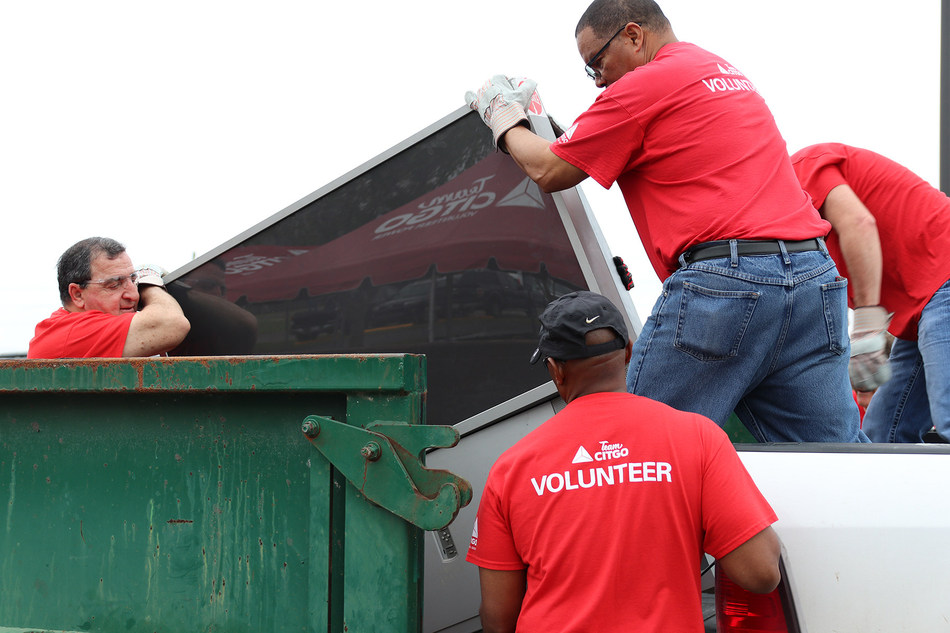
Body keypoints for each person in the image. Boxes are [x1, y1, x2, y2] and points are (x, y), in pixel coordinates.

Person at [466, 0, 867, 443]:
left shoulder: (643, 87)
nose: (598, 81)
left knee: (635, 451)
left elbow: (550, 170)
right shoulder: (720, 71)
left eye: (596, 63)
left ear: (634, 36)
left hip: (730, 285)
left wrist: (504, 117)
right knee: (833, 458)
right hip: (813, 281)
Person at [466, 291, 780, 633]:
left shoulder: (511, 468)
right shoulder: (697, 437)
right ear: (629, 351)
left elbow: (498, 619)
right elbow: (761, 573)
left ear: (555, 370)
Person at [791, 143, 950, 443]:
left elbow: (859, 223)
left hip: (943, 282)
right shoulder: (794, 226)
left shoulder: (799, 168)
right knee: (883, 436)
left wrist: (865, 328)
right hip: (921, 311)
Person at [28, 236, 191, 358]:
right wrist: (148, 283)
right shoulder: (71, 333)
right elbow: (172, 324)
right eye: (114, 285)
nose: (134, 295)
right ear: (77, 294)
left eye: (133, 280)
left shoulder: (65, 327)